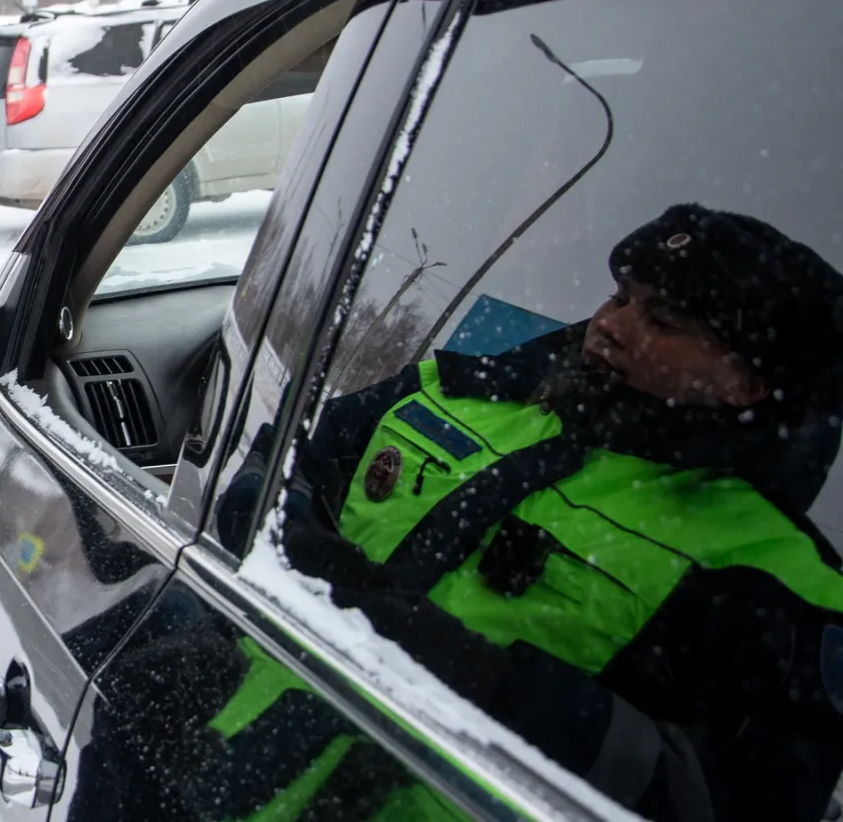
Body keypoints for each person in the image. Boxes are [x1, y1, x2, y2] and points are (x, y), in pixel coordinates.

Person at [266, 203, 843, 821]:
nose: (611, 324)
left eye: (663, 320)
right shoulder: (466, 386)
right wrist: (287, 535)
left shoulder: (773, 579)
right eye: (621, 296)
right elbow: (278, 460)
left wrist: (492, 683)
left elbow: (737, 803)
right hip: (248, 751)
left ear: (747, 383)